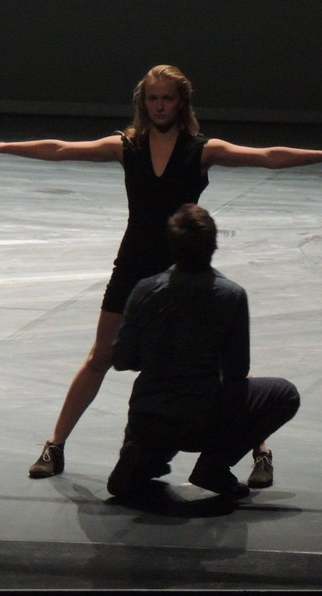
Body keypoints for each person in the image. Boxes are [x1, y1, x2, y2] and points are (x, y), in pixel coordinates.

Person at [0, 64, 322, 483]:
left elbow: (267, 157)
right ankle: (55, 444)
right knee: (101, 357)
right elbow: (62, 148)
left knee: (220, 364)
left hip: (186, 270)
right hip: (134, 264)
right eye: (153, 99)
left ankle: (260, 449)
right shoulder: (126, 146)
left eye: (167, 99)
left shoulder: (202, 150)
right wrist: (2, 146)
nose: (159, 106)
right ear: (144, 103)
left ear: (181, 103)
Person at [107, 204, 300, 500]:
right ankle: (213, 465)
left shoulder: (144, 289)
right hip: (203, 421)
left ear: (171, 247)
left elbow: (121, 359)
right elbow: (236, 371)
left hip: (150, 416)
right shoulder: (230, 295)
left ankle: (143, 456)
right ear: (214, 246)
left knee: (156, 408)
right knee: (285, 394)